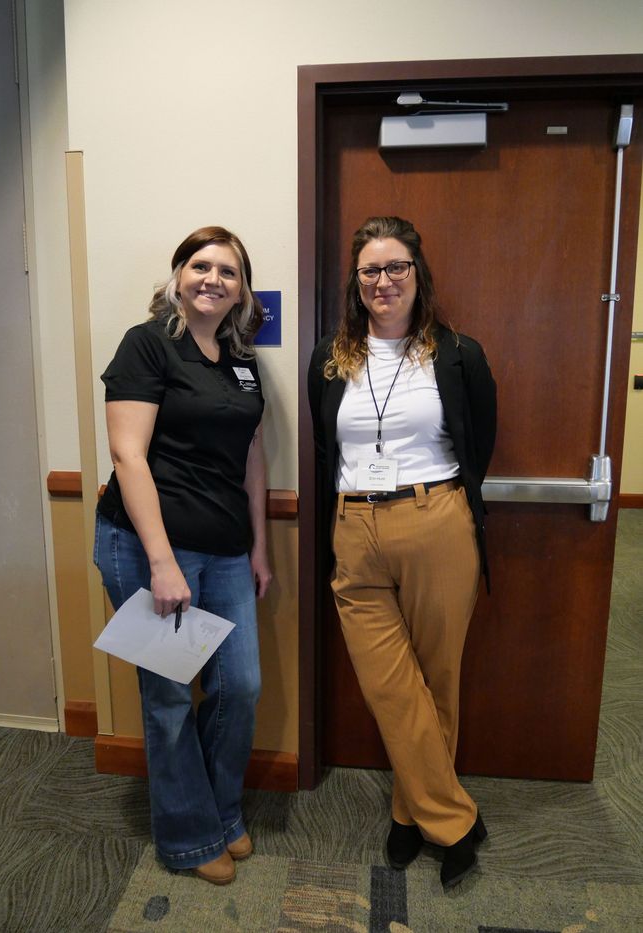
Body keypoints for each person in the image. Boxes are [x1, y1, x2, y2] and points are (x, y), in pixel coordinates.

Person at [308, 216, 496, 890]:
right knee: (390, 685)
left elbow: (479, 444)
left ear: (418, 275)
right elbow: (324, 448)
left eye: (396, 267)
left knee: (436, 679)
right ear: (355, 282)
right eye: (370, 269)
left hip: (435, 519)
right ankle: (454, 819)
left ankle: (409, 812)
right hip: (353, 526)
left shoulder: (458, 354)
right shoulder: (330, 358)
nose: (383, 280)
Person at [94, 226, 272, 886]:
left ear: (242, 291)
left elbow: (252, 456)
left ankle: (221, 813)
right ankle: (189, 836)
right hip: (146, 547)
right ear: (177, 277)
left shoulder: (242, 360)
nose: (212, 279)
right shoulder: (147, 344)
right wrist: (162, 562)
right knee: (169, 695)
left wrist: (260, 548)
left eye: (228, 271)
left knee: (239, 687)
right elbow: (127, 454)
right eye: (200, 265)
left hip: (225, 549)